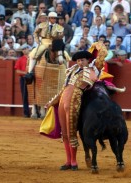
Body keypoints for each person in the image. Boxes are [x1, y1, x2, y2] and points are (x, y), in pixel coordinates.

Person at [45, 42, 108, 171]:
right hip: (64, 100)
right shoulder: (72, 70)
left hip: (75, 100)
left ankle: (74, 161)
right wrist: (52, 101)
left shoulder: (93, 68)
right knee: (65, 133)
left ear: (88, 60)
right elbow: (64, 88)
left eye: (82, 60)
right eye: (78, 60)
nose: (80, 62)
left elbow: (103, 54)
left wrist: (98, 44)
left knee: (71, 131)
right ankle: (68, 161)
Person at [14, 45, 30, 117]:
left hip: (33, 78)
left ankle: (37, 112)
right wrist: (25, 73)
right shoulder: (20, 59)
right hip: (24, 79)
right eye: (23, 49)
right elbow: (17, 71)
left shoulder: (33, 58)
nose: (24, 50)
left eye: (25, 49)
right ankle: (26, 112)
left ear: (28, 49)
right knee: (25, 96)